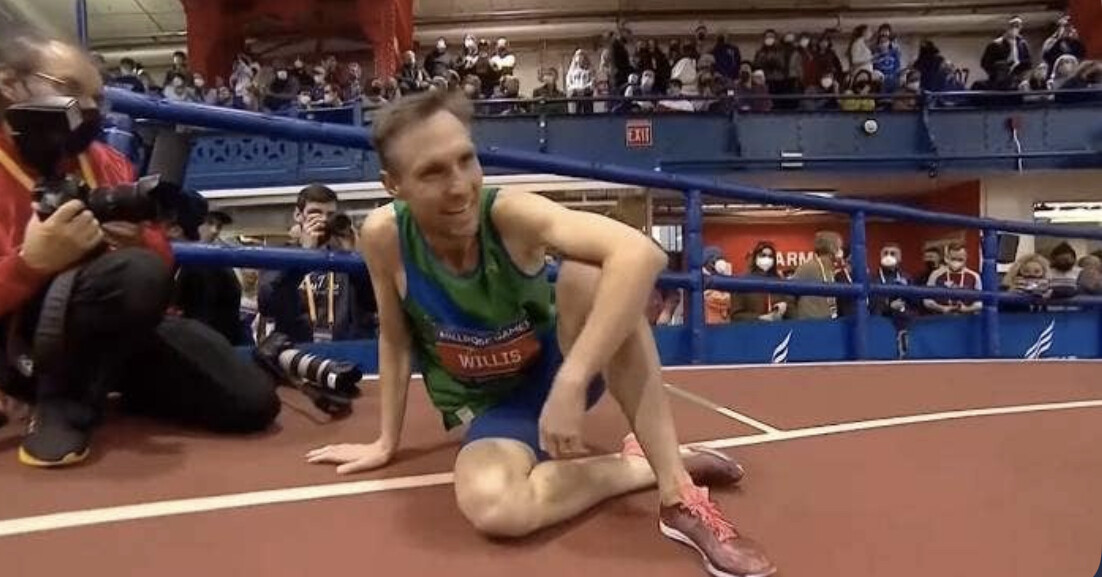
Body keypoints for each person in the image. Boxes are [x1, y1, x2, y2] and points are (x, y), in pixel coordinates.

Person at [306, 90, 776, 576]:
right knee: (495, 507)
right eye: (433, 172)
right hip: (496, 407)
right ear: (394, 185)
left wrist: (572, 380)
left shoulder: (509, 213)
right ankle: (641, 466)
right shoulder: (384, 236)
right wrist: (386, 441)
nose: (460, 186)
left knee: (593, 273)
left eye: (466, 160)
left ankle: (678, 495)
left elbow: (642, 254)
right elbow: (395, 337)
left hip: (563, 363)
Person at [0, 32, 279, 467]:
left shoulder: (107, 160)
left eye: (97, 97)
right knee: (135, 273)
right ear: (9, 85)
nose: (88, 107)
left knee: (252, 401)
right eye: (69, 88)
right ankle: (62, 407)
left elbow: (159, 259)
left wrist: (140, 241)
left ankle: (100, 384)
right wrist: (30, 264)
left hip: (115, 326)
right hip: (18, 340)